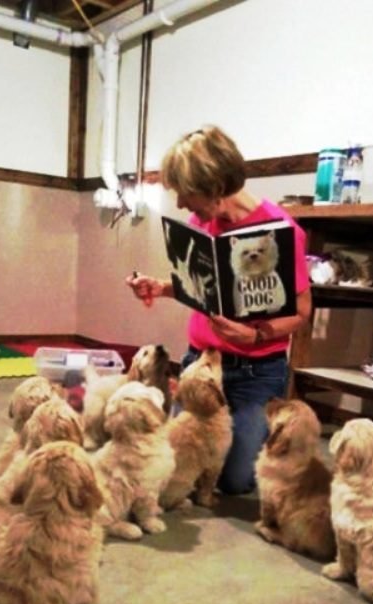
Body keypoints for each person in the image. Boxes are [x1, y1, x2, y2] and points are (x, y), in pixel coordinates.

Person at [126, 125, 311, 495]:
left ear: (214, 189)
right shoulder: (203, 220)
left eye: (184, 193)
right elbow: (205, 290)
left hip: (255, 372)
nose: (180, 204)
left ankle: (258, 440)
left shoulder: (280, 230)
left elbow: (303, 313)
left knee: (235, 482)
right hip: (201, 364)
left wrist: (256, 334)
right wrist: (161, 287)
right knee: (178, 463)